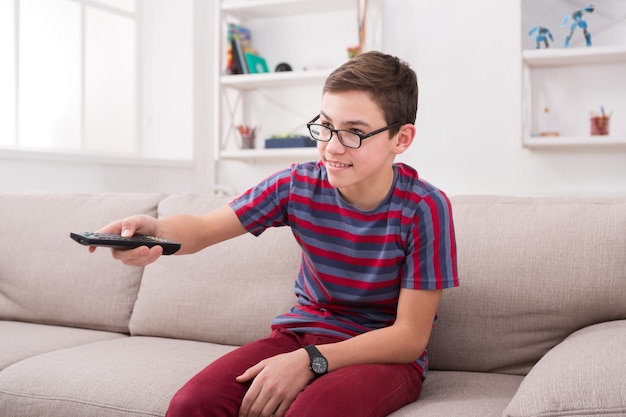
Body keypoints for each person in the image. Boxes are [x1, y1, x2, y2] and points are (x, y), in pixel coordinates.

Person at [92, 51, 458, 417]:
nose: (332, 146)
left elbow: (409, 338)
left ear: (401, 138)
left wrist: (311, 361)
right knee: (191, 405)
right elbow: (203, 229)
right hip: (300, 336)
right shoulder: (296, 185)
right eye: (326, 125)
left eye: (355, 133)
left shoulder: (424, 208)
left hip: (384, 356)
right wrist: (155, 231)